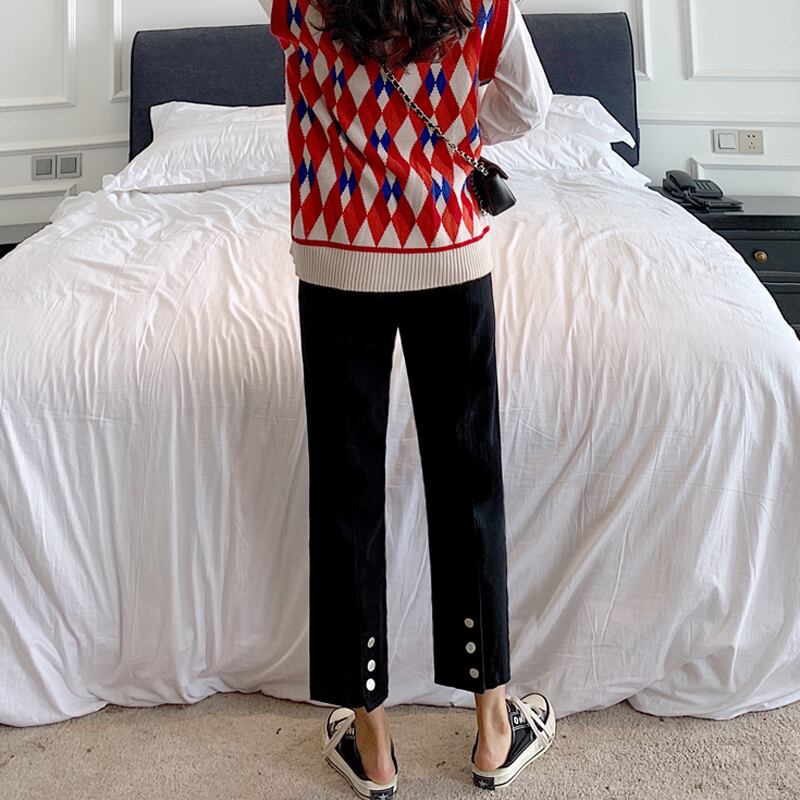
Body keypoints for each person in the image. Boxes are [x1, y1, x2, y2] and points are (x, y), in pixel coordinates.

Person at [262, 0, 556, 793]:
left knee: (347, 491)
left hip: (336, 259)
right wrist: (457, 130)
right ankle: (493, 731)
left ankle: (374, 745)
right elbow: (529, 104)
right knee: (470, 484)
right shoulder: (481, 4)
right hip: (449, 251)